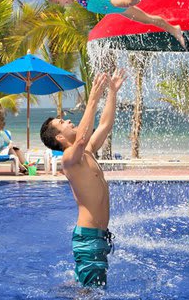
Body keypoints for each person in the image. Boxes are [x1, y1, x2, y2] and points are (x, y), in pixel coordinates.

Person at [39, 69, 127, 288]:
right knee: (91, 293)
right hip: (89, 239)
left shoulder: (86, 150)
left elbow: (105, 125)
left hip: (97, 237)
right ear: (59, 137)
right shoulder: (69, 158)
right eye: (62, 122)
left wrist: (112, 93)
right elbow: (79, 141)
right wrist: (93, 98)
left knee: (88, 289)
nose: (68, 120)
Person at [29, 0, 185, 49]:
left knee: (128, 0)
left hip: (109, 0)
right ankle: (174, 29)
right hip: (114, 9)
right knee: (147, 19)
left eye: (59, 1)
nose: (62, 4)